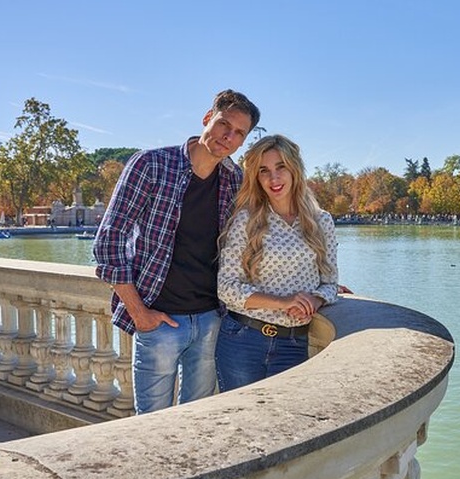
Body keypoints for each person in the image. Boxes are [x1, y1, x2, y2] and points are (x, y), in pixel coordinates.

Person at [93, 89, 261, 414]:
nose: (229, 136)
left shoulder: (235, 180)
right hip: (159, 320)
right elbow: (109, 242)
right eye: (224, 124)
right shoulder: (151, 165)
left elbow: (255, 242)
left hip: (213, 319)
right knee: (151, 426)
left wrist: (314, 281)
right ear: (207, 119)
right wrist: (140, 314)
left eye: (239, 133)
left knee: (195, 423)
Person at [215, 134, 338, 391]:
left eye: (280, 167)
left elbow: (330, 284)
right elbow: (226, 287)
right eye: (264, 171)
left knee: (287, 426)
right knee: (241, 423)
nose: (274, 178)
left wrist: (313, 300)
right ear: (256, 179)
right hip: (243, 340)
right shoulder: (246, 221)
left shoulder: (321, 222)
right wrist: (283, 303)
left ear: (294, 169)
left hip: (293, 344)